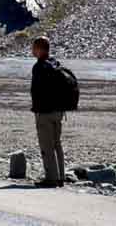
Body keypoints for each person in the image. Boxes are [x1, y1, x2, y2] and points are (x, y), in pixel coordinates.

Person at [30, 35, 66, 187]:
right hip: (59, 112)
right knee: (57, 144)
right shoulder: (55, 63)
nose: (32, 51)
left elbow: (36, 91)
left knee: (46, 145)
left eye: (34, 48)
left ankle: (51, 178)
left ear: (39, 49)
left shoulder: (39, 66)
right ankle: (60, 177)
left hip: (44, 112)